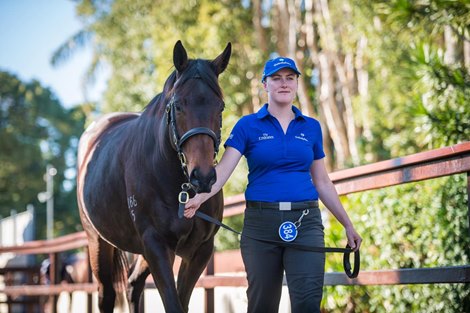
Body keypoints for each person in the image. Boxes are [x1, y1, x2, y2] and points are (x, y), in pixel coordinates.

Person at [184, 56, 362, 313]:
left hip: (305, 222)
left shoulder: (311, 128)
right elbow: (222, 171)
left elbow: (322, 182)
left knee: (307, 303)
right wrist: (201, 197)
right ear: (265, 85)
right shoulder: (247, 126)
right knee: (262, 305)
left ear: (297, 84)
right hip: (260, 225)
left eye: (290, 78)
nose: (284, 83)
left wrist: (348, 225)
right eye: (276, 78)